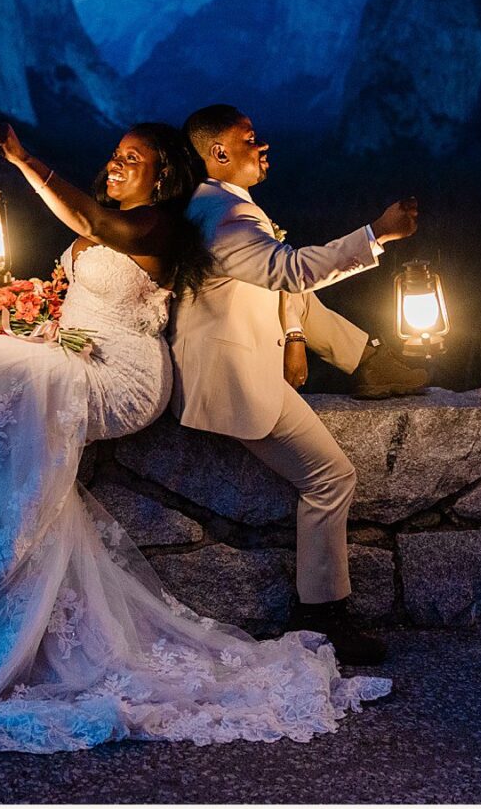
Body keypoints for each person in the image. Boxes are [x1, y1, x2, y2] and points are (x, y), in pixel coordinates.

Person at [0, 121, 391, 756]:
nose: (114, 164)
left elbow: (102, 226)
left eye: (131, 158)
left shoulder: (158, 225)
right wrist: (22, 308)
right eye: (113, 154)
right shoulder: (146, 219)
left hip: (125, 379)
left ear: (162, 174)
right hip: (75, 357)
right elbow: (85, 265)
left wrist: (24, 160)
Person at [171, 103, 426, 666]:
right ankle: (322, 614)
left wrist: (292, 335)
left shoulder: (217, 204)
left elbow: (279, 278)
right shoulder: (225, 216)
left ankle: (366, 360)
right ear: (218, 153)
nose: (263, 147)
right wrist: (377, 234)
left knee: (300, 302)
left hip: (242, 348)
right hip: (231, 377)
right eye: (250, 138)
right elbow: (289, 271)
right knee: (332, 477)